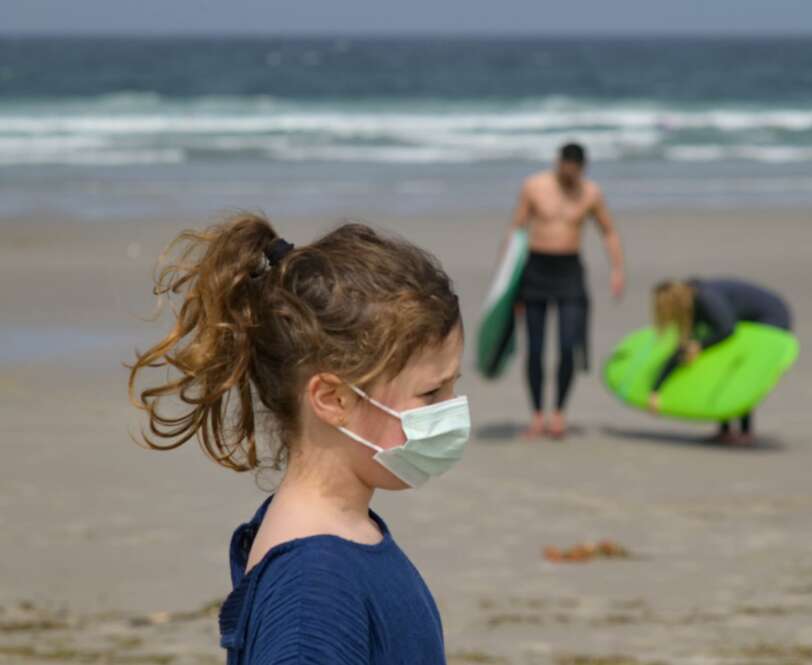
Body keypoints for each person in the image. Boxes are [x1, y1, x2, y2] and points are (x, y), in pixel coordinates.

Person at [128, 215, 468, 665]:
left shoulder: (348, 534)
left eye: (451, 387)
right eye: (431, 393)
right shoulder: (314, 591)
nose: (452, 409)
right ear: (332, 399)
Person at [509, 142, 626, 439]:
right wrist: (508, 283)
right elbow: (517, 230)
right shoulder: (534, 186)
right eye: (565, 170)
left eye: (575, 172)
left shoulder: (590, 193)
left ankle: (559, 414)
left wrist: (617, 270)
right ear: (558, 163)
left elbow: (608, 231)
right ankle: (537, 416)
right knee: (535, 349)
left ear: (582, 169)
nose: (569, 176)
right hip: (534, 270)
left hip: (570, 273)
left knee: (567, 346)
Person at [648, 278, 792, 444]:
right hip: (741, 320)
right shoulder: (691, 304)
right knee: (720, 364)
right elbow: (682, 349)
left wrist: (700, 346)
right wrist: (656, 390)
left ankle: (746, 432)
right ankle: (725, 430)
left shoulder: (706, 299)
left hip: (772, 318)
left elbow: (727, 329)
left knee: (739, 372)